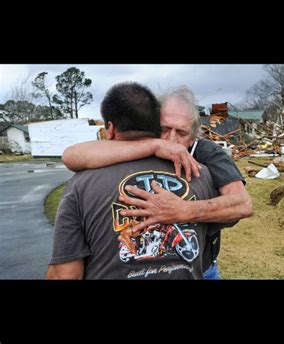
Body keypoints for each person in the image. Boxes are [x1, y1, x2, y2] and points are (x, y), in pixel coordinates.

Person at [62, 86, 253, 279]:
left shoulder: (207, 154)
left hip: (201, 268)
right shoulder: (144, 146)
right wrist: (154, 145)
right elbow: (71, 156)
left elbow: (242, 204)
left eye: (181, 132)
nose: (171, 139)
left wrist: (183, 210)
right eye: (164, 129)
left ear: (193, 136)